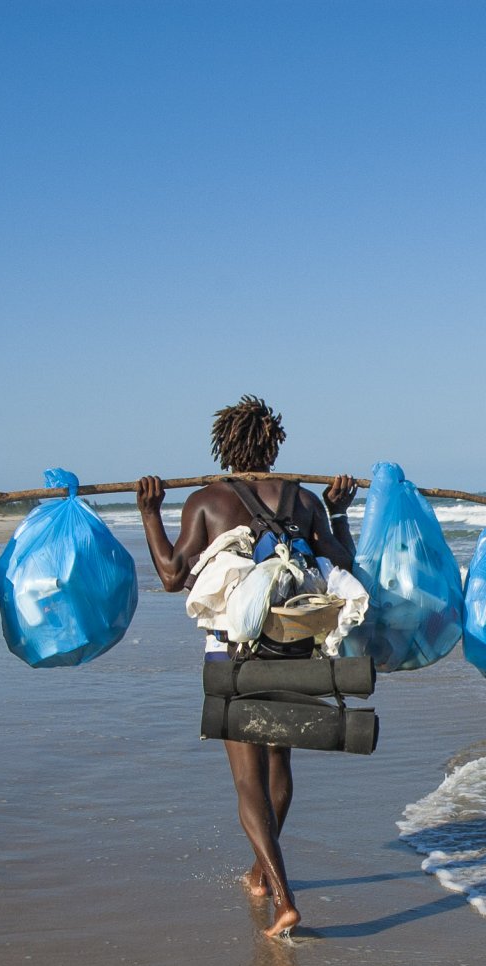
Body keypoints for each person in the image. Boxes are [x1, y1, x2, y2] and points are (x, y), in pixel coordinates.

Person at [136, 396, 358, 938]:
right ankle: (261, 875)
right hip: (295, 648)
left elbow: (170, 575)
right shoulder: (305, 501)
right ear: (273, 443)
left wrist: (149, 512)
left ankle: (283, 897)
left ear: (225, 447)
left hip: (233, 656)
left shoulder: (207, 501)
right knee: (279, 767)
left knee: (246, 780)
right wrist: (340, 509)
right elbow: (344, 563)